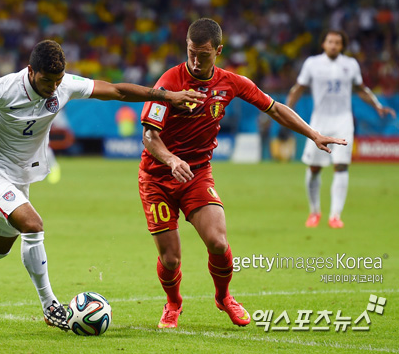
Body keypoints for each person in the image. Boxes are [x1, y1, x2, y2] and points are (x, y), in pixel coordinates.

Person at [0, 40, 205, 329]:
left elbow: (115, 90)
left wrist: (166, 96)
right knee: (33, 225)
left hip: (19, 179)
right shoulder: (3, 88)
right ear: (30, 71)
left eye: (58, 80)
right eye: (47, 80)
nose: (54, 87)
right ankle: (51, 306)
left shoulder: (64, 86)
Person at [138, 18, 347, 329]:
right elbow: (149, 136)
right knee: (170, 259)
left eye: (204, 54)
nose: (196, 60)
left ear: (219, 51)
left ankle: (224, 297)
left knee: (219, 243)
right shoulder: (169, 83)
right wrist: (170, 160)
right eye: (191, 52)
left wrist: (312, 134)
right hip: (157, 177)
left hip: (196, 174)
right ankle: (173, 303)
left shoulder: (231, 83)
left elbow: (274, 108)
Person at [286, 30, 396, 229]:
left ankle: (335, 215)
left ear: (342, 46)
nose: (334, 45)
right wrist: (286, 110)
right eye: (330, 41)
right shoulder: (312, 63)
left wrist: (377, 105)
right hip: (318, 121)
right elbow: (298, 88)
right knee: (314, 168)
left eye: (337, 42)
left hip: (343, 121)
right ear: (323, 44)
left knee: (342, 165)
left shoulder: (350, 65)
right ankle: (314, 212)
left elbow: (361, 89)